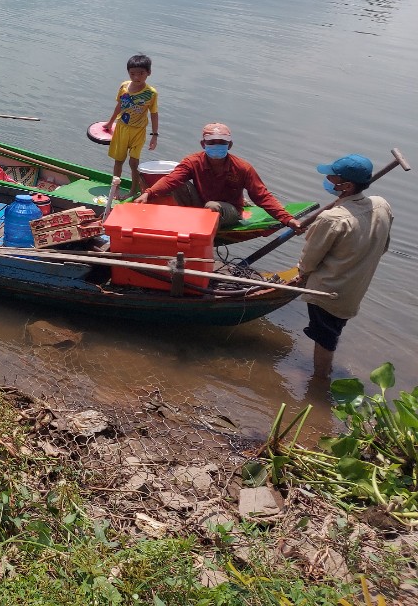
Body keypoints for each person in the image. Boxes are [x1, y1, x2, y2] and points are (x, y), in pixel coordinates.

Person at [293, 154, 393, 379]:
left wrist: (302, 275)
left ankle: (319, 380)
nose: (327, 179)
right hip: (355, 288)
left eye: (331, 177)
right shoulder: (381, 205)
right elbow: (383, 246)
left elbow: (309, 259)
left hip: (327, 290)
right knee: (333, 331)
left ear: (345, 186)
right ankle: (321, 377)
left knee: (325, 338)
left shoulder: (333, 218)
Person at [134, 122, 303, 232]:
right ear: (203, 144)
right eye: (212, 143)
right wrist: (148, 193)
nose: (217, 146)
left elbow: (262, 196)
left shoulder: (242, 168)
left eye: (221, 143)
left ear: (229, 145)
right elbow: (172, 180)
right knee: (178, 183)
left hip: (229, 210)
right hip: (202, 204)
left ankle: (201, 231)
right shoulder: (193, 161)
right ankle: (191, 218)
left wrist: (287, 219)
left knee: (212, 206)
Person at [102, 54, 159, 197]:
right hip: (122, 128)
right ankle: (115, 190)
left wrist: (154, 135)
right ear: (128, 73)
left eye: (141, 74)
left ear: (148, 73)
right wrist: (110, 123)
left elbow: (154, 113)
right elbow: (119, 106)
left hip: (139, 131)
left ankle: (133, 191)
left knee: (134, 163)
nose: (136, 77)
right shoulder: (124, 87)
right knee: (119, 161)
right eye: (132, 74)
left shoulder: (151, 93)